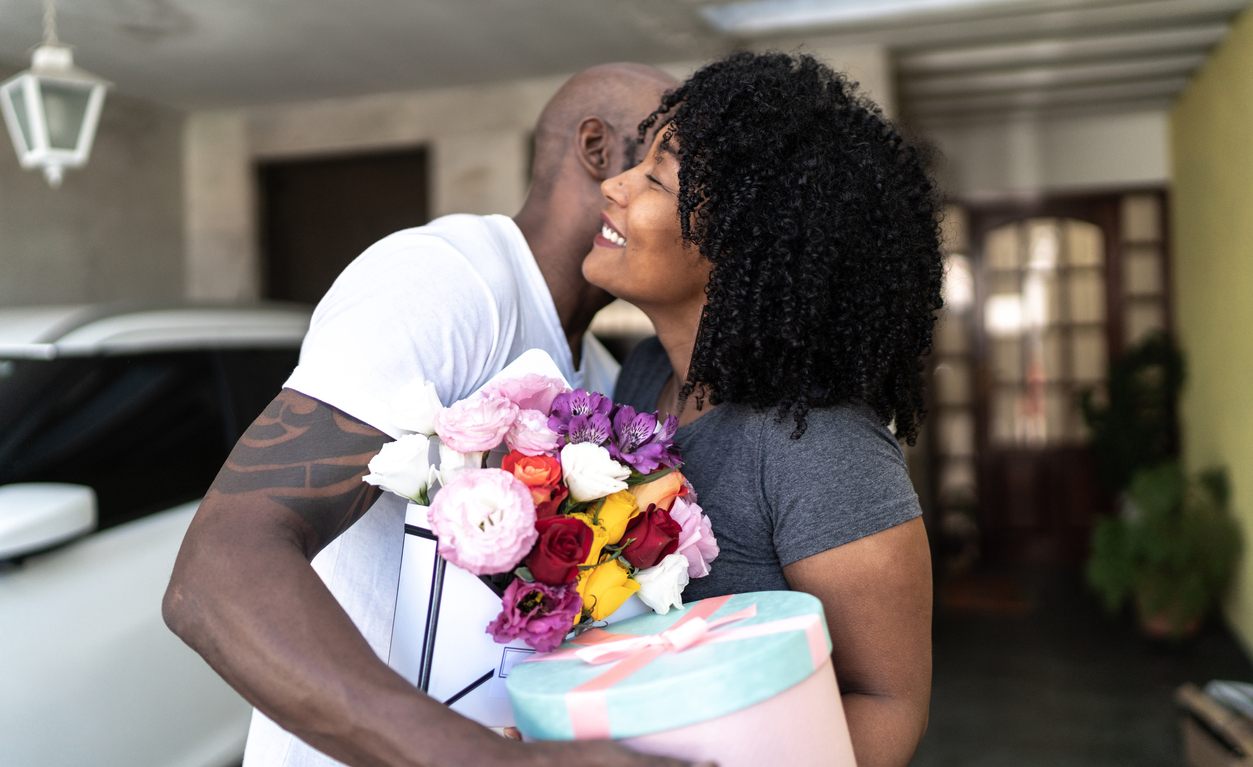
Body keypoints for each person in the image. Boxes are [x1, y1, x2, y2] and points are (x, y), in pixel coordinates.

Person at [163, 63, 709, 767]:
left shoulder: (605, 375)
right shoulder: (449, 280)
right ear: (599, 153)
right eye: (665, 166)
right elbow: (217, 570)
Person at [584, 52, 940, 767]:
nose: (615, 185)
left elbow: (886, 702)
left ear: (742, 246)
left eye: (656, 176)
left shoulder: (817, 443)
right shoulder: (645, 377)